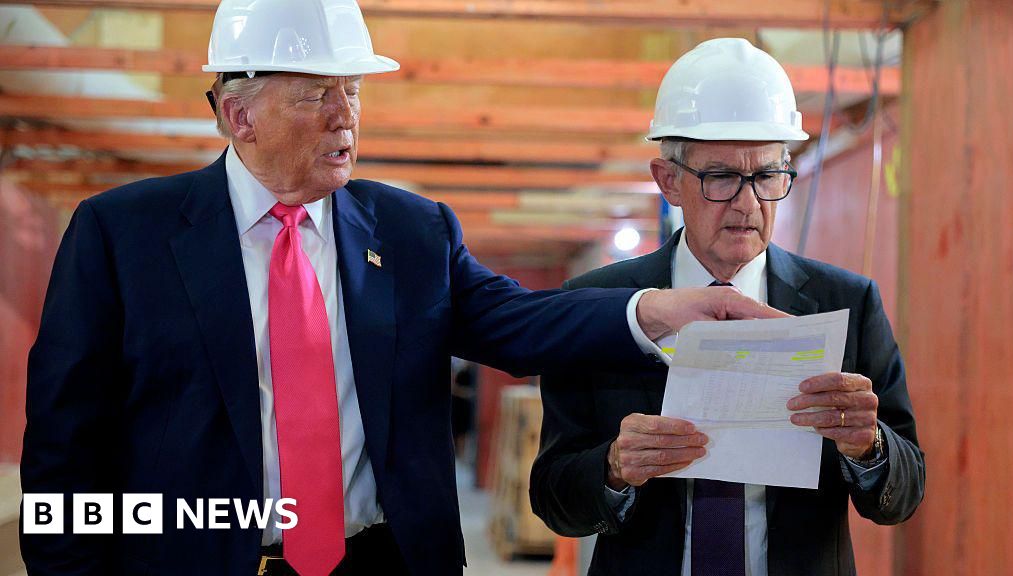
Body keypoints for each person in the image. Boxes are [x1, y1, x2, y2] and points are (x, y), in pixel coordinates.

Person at [18, 4, 785, 575]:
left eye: (353, 90)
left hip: (382, 561)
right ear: (238, 114)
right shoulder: (123, 236)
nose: (346, 116)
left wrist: (655, 309)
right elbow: (63, 446)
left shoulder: (412, 232)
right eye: (317, 94)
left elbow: (518, 323)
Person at [530, 38, 925, 576]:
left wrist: (869, 447)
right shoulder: (598, 306)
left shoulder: (847, 303)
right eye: (721, 178)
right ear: (668, 181)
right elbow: (552, 496)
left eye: (766, 176)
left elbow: (905, 491)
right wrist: (614, 467)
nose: (748, 203)